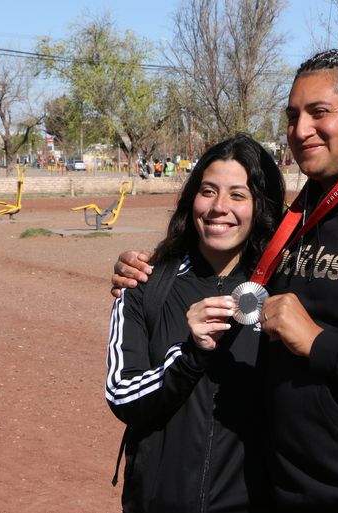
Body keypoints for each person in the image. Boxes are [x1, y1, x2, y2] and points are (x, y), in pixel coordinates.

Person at [112, 49, 338, 513]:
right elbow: (231, 250)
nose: (301, 129)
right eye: (292, 116)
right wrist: (153, 267)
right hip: (299, 492)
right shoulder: (304, 212)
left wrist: (318, 343)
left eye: (319, 112)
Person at [106, 133, 285, 513]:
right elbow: (122, 394)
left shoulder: (283, 290)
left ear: (261, 206)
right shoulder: (144, 285)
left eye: (238, 195)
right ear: (192, 200)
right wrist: (189, 354)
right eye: (208, 191)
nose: (219, 207)